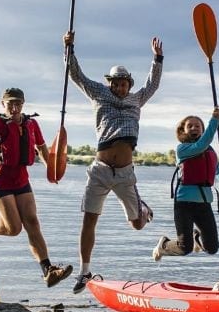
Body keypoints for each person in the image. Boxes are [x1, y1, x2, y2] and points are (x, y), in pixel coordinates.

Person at [63, 30, 163, 294]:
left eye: (124, 83)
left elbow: (152, 85)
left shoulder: (136, 98)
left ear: (129, 84)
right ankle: (85, 271)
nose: (120, 87)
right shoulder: (98, 92)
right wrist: (69, 49)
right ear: (110, 83)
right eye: (116, 83)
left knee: (137, 225)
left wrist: (158, 59)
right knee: (89, 219)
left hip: (126, 174)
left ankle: (141, 207)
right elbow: (76, 76)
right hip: (100, 171)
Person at [0, 87, 73, 288]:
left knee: (32, 222)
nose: (14, 107)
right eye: (10, 103)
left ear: (23, 104)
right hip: (0, 180)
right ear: (2, 104)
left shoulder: (31, 124)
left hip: (21, 179)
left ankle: (48, 270)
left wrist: (52, 170)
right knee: (13, 229)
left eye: (18, 103)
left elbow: (41, 148)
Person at [152, 107, 219, 261]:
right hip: (184, 204)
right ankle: (164, 245)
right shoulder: (183, 149)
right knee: (184, 248)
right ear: (183, 130)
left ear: (202, 130)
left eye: (197, 126)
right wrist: (214, 120)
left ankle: (196, 238)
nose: (194, 128)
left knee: (212, 248)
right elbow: (201, 145)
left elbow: (217, 170)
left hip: (204, 203)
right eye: (190, 126)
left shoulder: (210, 150)